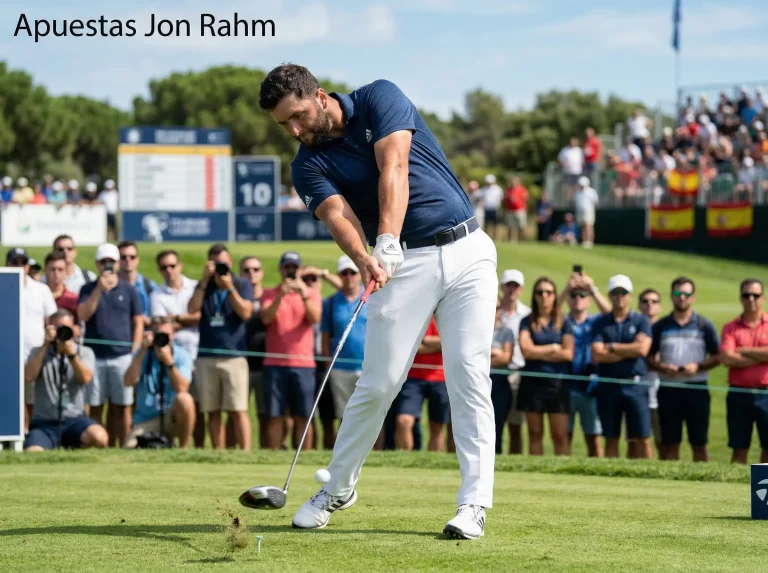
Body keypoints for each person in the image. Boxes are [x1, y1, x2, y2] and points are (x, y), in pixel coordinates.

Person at [259, 64, 497, 539]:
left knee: (468, 375)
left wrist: (386, 236)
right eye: (284, 124)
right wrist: (366, 256)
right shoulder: (306, 164)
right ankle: (338, 488)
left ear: (320, 96)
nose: (296, 130)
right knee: (379, 382)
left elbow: (395, 166)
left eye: (299, 116)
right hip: (401, 265)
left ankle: (474, 504)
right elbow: (337, 215)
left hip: (467, 250)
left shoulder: (379, 97)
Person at [187, 243, 253, 451]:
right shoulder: (204, 285)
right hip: (206, 355)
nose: (220, 267)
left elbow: (245, 312)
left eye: (223, 263)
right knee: (212, 410)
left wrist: (229, 288)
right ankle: (219, 453)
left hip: (234, 356)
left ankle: (246, 453)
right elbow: (191, 308)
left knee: (238, 410)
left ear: (231, 262)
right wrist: (205, 280)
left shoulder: (241, 283)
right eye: (215, 264)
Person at [647, 277, 720, 463]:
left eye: (686, 294)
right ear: (672, 296)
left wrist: (699, 366)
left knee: (699, 443)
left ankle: (705, 484)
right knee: (670, 443)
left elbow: (718, 356)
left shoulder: (704, 325)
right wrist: (663, 367)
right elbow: (647, 357)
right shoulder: (661, 326)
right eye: (678, 293)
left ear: (693, 297)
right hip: (668, 389)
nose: (682, 298)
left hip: (697, 388)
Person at [78, 243, 144, 447]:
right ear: (97, 264)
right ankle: (99, 445)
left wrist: (135, 347)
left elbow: (138, 320)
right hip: (95, 357)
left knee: (122, 406)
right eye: (103, 262)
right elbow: (82, 315)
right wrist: (99, 289)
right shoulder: (87, 288)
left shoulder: (129, 289)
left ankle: (122, 446)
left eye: (111, 262)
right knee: (95, 406)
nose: (108, 266)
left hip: (121, 356)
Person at [260, 251, 322, 450]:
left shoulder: (311, 294)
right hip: (274, 365)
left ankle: (304, 457)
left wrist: (303, 295)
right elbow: (266, 319)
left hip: (303, 364)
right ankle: (274, 457)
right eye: (287, 267)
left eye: (294, 267)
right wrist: (280, 295)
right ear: (280, 269)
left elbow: (314, 318)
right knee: (275, 415)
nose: (290, 271)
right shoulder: (269, 293)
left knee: (303, 416)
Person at [23, 310, 106, 451]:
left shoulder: (84, 352)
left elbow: (85, 378)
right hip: (44, 423)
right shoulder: (37, 352)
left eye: (66, 328)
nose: (62, 333)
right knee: (33, 452)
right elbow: (29, 376)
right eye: (58, 328)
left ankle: (74, 445)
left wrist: (71, 354)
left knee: (100, 437)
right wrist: (45, 345)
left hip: (75, 420)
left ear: (74, 329)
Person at [591, 275, 652, 459]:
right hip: (608, 385)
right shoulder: (600, 322)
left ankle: (649, 475)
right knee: (611, 437)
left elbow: (642, 349)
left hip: (635, 385)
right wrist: (629, 349)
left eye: (623, 292)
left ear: (630, 295)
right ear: (609, 295)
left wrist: (611, 346)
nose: (620, 296)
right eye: (615, 292)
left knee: (642, 437)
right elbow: (596, 354)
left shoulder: (641, 321)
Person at [150, 250, 202, 446]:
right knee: (184, 401)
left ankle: (199, 449)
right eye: (164, 267)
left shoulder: (194, 286)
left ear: (180, 266)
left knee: (200, 408)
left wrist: (174, 318)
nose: (169, 271)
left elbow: (200, 317)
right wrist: (188, 319)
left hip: (197, 353)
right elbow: (161, 324)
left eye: (172, 266)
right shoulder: (157, 293)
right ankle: (184, 446)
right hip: (173, 354)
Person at [518, 278, 574, 456]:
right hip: (532, 383)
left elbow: (568, 354)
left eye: (548, 292)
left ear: (555, 296)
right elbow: (526, 351)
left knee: (559, 435)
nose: (544, 296)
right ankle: (535, 471)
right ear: (534, 296)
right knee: (534, 434)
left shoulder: (564, 322)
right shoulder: (526, 322)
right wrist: (552, 348)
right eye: (539, 292)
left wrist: (538, 351)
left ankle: (564, 474)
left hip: (557, 384)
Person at [559, 272, 611, 458]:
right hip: (566, 386)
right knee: (565, 435)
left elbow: (611, 314)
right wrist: (567, 288)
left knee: (594, 437)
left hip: (591, 387)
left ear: (589, 300)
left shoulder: (595, 322)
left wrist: (593, 289)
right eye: (574, 296)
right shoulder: (563, 321)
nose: (578, 299)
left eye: (583, 295)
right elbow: (549, 312)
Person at [124, 318, 196, 449]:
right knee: (129, 448)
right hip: (145, 419)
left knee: (185, 399)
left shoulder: (182, 355)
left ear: (173, 336)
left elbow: (183, 388)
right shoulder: (143, 353)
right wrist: (142, 350)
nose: (161, 339)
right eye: (158, 334)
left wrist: (169, 362)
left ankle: (183, 449)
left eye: (165, 335)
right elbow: (128, 381)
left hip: (172, 417)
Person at [6, 247, 58, 431]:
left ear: (28, 266)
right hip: (6, 355)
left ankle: (28, 435)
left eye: (23, 262)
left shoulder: (41, 290)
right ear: (7, 264)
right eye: (15, 262)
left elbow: (50, 319)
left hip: (35, 355)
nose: (19, 266)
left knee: (31, 400)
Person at [719, 279, 768, 464]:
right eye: (747, 295)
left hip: (766, 392)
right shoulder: (730, 327)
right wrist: (761, 357)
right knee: (739, 447)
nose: (751, 299)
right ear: (741, 298)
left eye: (755, 295)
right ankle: (736, 490)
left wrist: (744, 350)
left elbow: (734, 355)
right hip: (739, 393)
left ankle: (763, 491)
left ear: (762, 297)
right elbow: (726, 358)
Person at [322, 256, 367, 428]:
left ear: (359, 274)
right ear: (339, 276)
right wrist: (328, 364)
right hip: (339, 369)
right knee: (344, 416)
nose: (349, 277)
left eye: (353, 273)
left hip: (367, 367)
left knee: (371, 417)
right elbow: (325, 336)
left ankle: (376, 454)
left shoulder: (372, 299)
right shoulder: (331, 302)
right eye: (344, 273)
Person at [393, 317, 450, 451]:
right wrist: (440, 344)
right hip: (412, 377)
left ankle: (433, 466)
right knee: (403, 421)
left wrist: (424, 339)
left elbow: (454, 341)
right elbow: (412, 346)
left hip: (441, 377)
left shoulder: (448, 313)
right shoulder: (415, 312)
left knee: (437, 426)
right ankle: (404, 463)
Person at [496, 269, 530, 455]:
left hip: (517, 372)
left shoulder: (527, 313)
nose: (511, 290)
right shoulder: (491, 309)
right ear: (502, 287)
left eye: (515, 286)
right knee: (493, 422)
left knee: (515, 424)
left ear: (521, 289)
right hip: (493, 372)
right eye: (508, 285)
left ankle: (514, 461)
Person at [239, 256, 268, 449]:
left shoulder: (269, 296)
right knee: (237, 411)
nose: (251, 273)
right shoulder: (236, 298)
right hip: (240, 362)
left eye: (256, 269)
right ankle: (235, 452)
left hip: (265, 364)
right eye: (246, 270)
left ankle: (266, 452)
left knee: (265, 413)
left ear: (262, 273)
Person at [637, 288, 663, 459]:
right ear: (639, 305)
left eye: (654, 301)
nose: (649, 305)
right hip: (637, 391)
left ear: (660, 306)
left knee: (663, 442)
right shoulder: (634, 327)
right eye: (645, 301)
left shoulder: (665, 328)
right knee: (637, 440)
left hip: (661, 391)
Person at [118, 241, 157, 325]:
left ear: (138, 259)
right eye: (123, 257)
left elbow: (157, 316)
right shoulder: (108, 285)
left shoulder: (149, 286)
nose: (128, 260)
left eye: (132, 257)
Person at [43, 251, 81, 338]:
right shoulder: (36, 297)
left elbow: (79, 328)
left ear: (65, 271)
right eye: (52, 269)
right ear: (45, 270)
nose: (56, 273)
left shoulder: (73, 299)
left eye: (60, 269)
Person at [573, 177, 599, 249]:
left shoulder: (591, 191)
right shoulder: (577, 192)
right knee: (583, 226)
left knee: (589, 226)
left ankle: (589, 242)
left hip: (588, 211)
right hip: (579, 211)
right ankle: (584, 241)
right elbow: (575, 202)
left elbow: (596, 202)